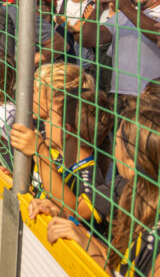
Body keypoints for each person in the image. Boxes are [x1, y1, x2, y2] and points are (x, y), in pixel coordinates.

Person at [43, 110, 160, 276]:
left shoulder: (154, 235)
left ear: (132, 162)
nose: (114, 148)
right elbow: (118, 265)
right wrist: (77, 230)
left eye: (118, 143)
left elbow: (75, 209)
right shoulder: (137, 198)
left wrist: (40, 154)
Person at [11, 63, 113, 236]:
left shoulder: (89, 177)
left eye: (51, 118)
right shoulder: (56, 153)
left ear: (67, 130)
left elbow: (73, 211)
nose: (45, 123)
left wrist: (40, 151)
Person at [80, 0, 160, 109]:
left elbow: (156, 34)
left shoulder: (127, 11)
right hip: (119, 96)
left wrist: (125, 6)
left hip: (151, 99)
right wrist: (98, 8)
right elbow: (87, 40)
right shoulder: (123, 15)